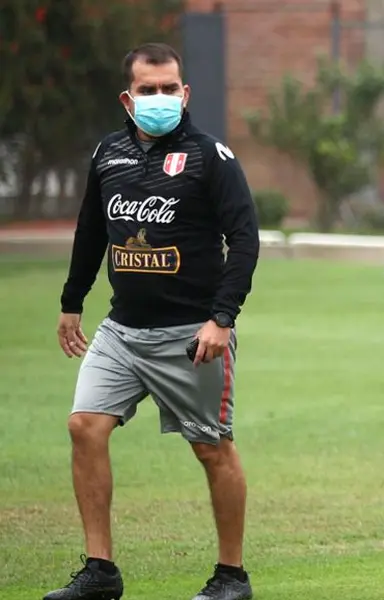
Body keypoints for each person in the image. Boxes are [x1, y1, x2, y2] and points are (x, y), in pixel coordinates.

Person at [48, 42, 258, 600]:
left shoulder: (212, 156)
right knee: (83, 427)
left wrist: (221, 318)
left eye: (170, 88)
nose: (160, 98)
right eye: (148, 90)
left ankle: (231, 576)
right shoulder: (107, 154)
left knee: (213, 448)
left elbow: (244, 240)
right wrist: (73, 301)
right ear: (128, 97)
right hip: (122, 330)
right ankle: (100, 572)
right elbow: (91, 231)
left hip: (191, 336)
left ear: (185, 93)